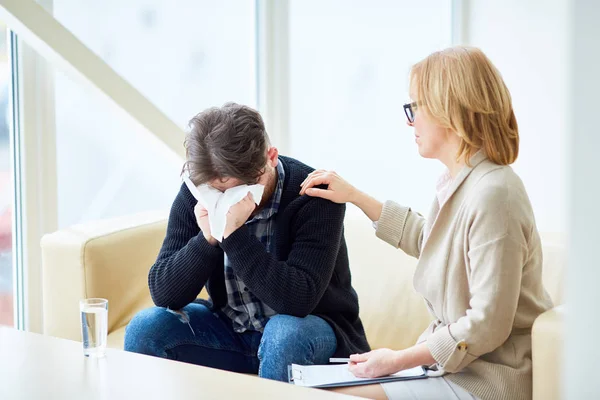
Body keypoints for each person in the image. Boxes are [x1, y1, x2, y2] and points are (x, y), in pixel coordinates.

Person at [300, 47, 553, 400]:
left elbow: (486, 325)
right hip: (457, 368)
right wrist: (354, 195)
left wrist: (397, 360)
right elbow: (429, 240)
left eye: (415, 107)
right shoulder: (458, 182)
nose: (410, 120)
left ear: (449, 110)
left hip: (490, 378)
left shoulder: (495, 193)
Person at [124, 102, 369, 382]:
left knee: (284, 334)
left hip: (310, 332)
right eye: (216, 192)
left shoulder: (316, 195)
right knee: (145, 329)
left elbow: (298, 300)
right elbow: (165, 293)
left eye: (237, 191)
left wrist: (233, 234)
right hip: (232, 330)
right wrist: (208, 237)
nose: (223, 201)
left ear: (271, 158)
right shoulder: (199, 192)